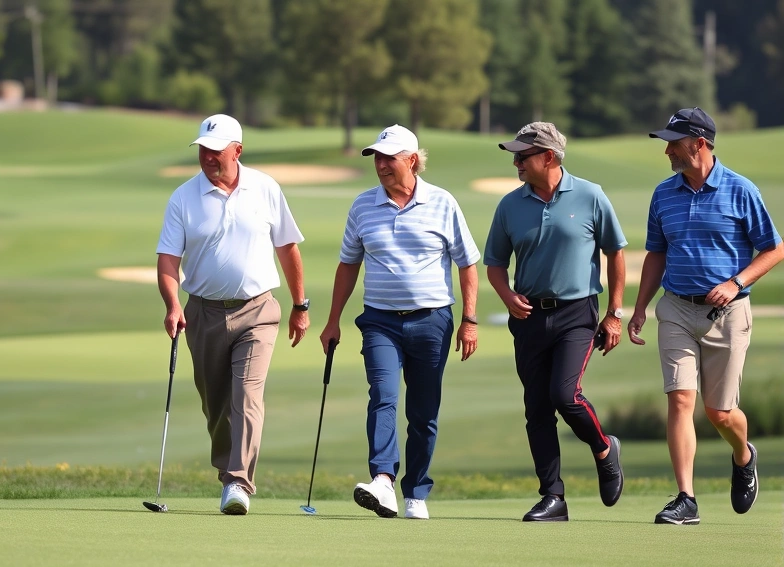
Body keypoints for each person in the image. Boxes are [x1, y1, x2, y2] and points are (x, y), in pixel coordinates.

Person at [630, 107, 783, 525]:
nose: (667, 152)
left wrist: (736, 282)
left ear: (699, 143)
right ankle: (686, 498)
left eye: (673, 143)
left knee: (719, 412)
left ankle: (744, 453)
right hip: (677, 307)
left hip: (728, 314)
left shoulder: (740, 190)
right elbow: (656, 253)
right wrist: (640, 307)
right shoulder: (664, 193)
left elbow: (774, 248)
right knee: (680, 399)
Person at [319, 125, 480, 520]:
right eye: (377, 157)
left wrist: (470, 320)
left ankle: (417, 492)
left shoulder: (442, 202)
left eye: (389, 157)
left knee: (423, 413)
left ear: (412, 160)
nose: (381, 165)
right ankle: (383, 481)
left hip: (433, 320)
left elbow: (467, 263)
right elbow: (347, 265)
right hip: (379, 322)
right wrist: (333, 320)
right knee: (383, 395)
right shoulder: (362, 206)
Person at [156, 113, 308, 515]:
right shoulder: (183, 198)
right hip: (202, 314)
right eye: (203, 150)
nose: (207, 157)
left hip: (258, 310)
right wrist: (173, 305)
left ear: (237, 150)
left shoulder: (265, 188)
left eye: (216, 150)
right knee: (216, 405)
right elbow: (168, 260)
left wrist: (300, 304)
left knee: (246, 395)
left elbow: (288, 247)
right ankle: (228, 469)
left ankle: (238, 482)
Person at [483, 122, 626, 522]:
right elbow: (494, 263)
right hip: (527, 316)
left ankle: (603, 448)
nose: (516, 163)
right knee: (537, 409)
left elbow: (616, 253)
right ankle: (553, 497)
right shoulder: (510, 205)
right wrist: (507, 296)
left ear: (548, 156)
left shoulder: (590, 195)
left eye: (522, 156)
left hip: (576, 314)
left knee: (565, 395)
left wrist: (614, 313)